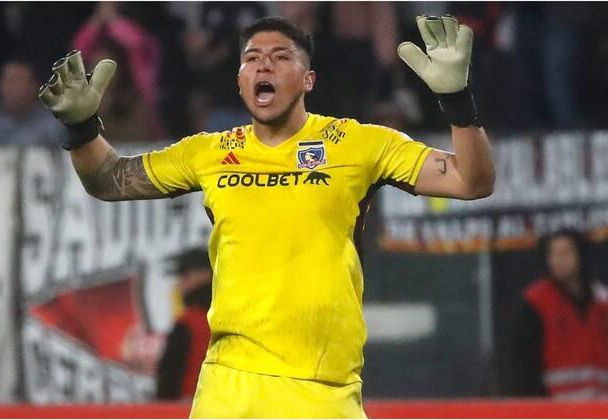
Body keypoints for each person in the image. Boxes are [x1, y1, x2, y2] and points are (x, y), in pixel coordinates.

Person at [38, 15, 494, 418]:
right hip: (229, 387)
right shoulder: (210, 152)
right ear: (240, 79)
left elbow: (471, 181)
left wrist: (456, 100)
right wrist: (82, 129)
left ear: (308, 79)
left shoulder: (359, 144)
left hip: (322, 390)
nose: (263, 66)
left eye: (280, 57)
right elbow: (108, 179)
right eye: (252, 58)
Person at [509, 229, 608, 398]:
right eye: (553, 254)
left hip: (602, 405)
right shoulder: (536, 301)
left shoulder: (604, 300)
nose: (557, 260)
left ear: (580, 255)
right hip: (555, 406)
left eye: (565, 253)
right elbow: (522, 365)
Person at [0, 58, 65, 146]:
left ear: (34, 86)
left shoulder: (52, 125)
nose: (12, 88)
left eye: (18, 81)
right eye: (8, 81)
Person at [156, 248, 213, 401]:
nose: (179, 283)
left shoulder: (189, 323)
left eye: (184, 275)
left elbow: (167, 383)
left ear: (204, 275)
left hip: (188, 408)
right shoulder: (236, 319)